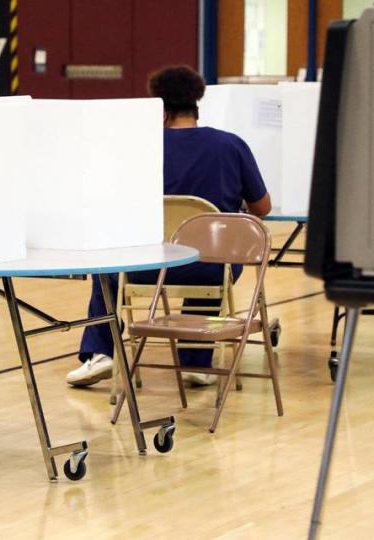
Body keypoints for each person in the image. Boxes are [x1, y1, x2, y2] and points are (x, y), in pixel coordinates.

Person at [67, 65, 271, 388]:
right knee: (211, 259)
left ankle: (101, 353)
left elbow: (115, 207)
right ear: (196, 105)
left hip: (148, 268)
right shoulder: (231, 146)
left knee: (106, 271)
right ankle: (197, 360)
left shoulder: (139, 149)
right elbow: (262, 208)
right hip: (212, 269)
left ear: (160, 111)